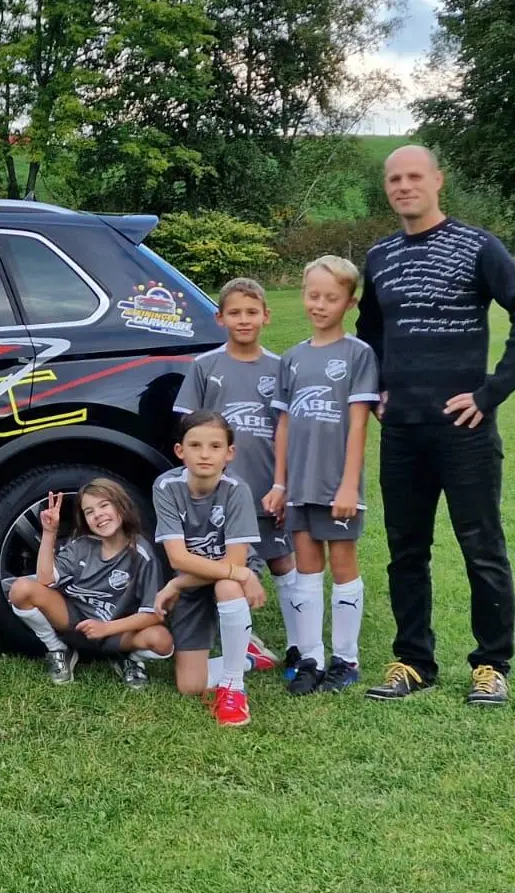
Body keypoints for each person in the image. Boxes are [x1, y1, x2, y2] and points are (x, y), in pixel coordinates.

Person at [356, 145, 515, 706]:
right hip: (403, 432)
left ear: (437, 181)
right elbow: (370, 329)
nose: (403, 186)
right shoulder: (381, 256)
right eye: (394, 178)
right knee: (406, 550)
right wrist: (379, 390)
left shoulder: (476, 245)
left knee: (481, 547)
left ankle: (492, 664)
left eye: (414, 176)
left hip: (463, 430)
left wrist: (492, 392)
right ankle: (414, 661)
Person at [172, 278, 299, 674]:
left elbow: (291, 430)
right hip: (221, 495)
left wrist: (285, 486)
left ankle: (301, 648)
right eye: (235, 313)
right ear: (220, 318)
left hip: (268, 490)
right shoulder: (205, 367)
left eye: (251, 312)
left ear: (266, 315)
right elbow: (188, 430)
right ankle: (244, 642)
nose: (244, 320)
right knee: (229, 568)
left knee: (282, 560)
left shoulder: (282, 368)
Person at [266, 257, 380, 696]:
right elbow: (285, 426)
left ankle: (345, 659)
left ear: (349, 303)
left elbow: (358, 425)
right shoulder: (292, 358)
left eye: (330, 298)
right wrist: (280, 483)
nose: (319, 304)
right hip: (299, 485)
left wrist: (349, 484)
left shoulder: (358, 354)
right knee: (307, 571)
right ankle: (311, 657)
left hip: (337, 484)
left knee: (344, 567)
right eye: (313, 295)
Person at [151, 412, 266, 727]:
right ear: (180, 451)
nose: (204, 454)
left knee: (227, 585)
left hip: (234, 570)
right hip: (193, 576)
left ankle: (233, 688)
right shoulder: (166, 486)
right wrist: (178, 583)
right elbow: (178, 559)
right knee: (189, 685)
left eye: (215, 446)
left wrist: (174, 585)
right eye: (195, 445)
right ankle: (247, 655)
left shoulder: (236, 490)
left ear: (229, 453)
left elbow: (235, 565)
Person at [6, 478, 173, 689]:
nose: (98, 515)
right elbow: (45, 579)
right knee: (21, 589)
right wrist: (49, 533)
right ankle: (58, 649)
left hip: (114, 630)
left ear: (121, 506)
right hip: (74, 622)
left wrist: (106, 628)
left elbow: (153, 614)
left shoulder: (142, 553)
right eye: (89, 511)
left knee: (162, 640)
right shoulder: (81, 545)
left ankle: (131, 659)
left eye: (104, 505)